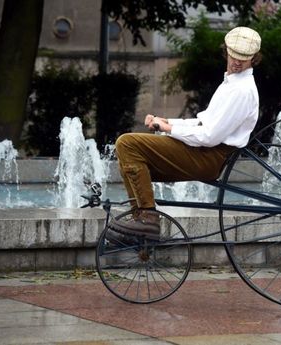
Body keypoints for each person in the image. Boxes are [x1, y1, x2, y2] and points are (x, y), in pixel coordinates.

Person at [109, 26, 261, 239]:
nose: (237, 61)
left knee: (127, 144)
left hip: (208, 156)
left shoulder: (242, 90)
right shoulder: (231, 84)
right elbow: (203, 122)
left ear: (253, 58)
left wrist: (169, 129)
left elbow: (209, 136)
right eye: (234, 55)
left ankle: (147, 219)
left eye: (244, 58)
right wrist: (166, 121)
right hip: (203, 152)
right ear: (226, 51)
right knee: (128, 158)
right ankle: (140, 225)